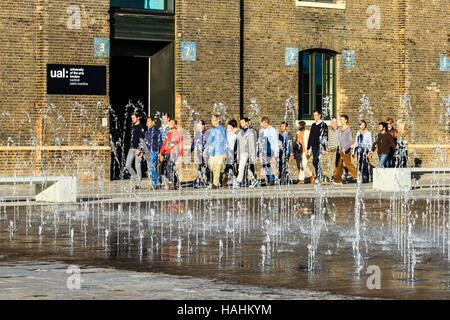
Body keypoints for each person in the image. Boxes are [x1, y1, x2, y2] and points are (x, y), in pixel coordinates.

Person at [333, 115, 357, 185]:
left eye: (342, 119)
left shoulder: (349, 129)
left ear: (346, 120)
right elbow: (339, 139)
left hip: (346, 150)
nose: (341, 121)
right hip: (340, 150)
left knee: (348, 164)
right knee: (338, 165)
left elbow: (350, 141)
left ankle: (358, 176)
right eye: (340, 120)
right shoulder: (340, 129)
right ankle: (337, 180)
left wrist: (345, 148)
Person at [159, 119, 183, 189]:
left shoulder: (178, 134)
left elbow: (180, 144)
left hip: (175, 152)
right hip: (168, 152)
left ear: (175, 125)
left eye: (171, 123)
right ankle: (177, 182)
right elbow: (164, 144)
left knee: (170, 165)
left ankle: (171, 182)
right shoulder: (168, 134)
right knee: (169, 167)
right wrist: (161, 152)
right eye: (169, 123)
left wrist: (181, 154)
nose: (170, 124)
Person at [307, 109, 328, 182]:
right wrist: (308, 147)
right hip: (314, 146)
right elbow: (311, 136)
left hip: (320, 146)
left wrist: (324, 148)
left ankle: (319, 175)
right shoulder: (313, 125)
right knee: (316, 161)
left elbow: (325, 136)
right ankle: (320, 175)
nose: (314, 117)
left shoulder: (323, 125)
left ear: (320, 115)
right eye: (314, 115)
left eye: (316, 115)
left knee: (315, 161)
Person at [125, 111, 145, 190]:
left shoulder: (141, 127)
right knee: (127, 165)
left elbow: (143, 140)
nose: (132, 119)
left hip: (138, 149)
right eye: (132, 118)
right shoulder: (132, 126)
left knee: (137, 166)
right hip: (131, 148)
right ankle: (137, 179)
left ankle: (138, 184)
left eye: (134, 118)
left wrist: (140, 150)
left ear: (138, 117)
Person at [235, 118, 257, 187]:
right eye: (240, 122)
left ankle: (238, 181)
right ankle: (253, 180)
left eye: (243, 122)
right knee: (245, 168)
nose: (241, 124)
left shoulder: (250, 132)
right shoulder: (239, 133)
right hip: (241, 152)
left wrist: (253, 156)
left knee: (241, 167)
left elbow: (252, 144)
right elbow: (238, 144)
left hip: (246, 152)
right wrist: (238, 154)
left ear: (246, 123)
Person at [207, 115, 227, 189]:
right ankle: (223, 174)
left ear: (218, 121)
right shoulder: (212, 130)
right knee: (211, 166)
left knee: (217, 167)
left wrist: (225, 152)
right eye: (212, 120)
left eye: (214, 120)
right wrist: (206, 150)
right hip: (213, 152)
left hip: (220, 151)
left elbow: (225, 141)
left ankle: (215, 183)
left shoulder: (222, 129)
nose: (212, 122)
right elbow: (209, 141)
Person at [140, 116, 161, 188]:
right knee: (150, 167)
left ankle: (157, 182)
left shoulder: (156, 131)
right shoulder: (147, 132)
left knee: (151, 166)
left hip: (154, 151)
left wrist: (160, 153)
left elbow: (159, 142)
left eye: (149, 121)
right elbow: (144, 143)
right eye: (147, 121)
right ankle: (154, 182)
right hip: (147, 152)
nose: (147, 123)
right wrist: (142, 152)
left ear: (153, 122)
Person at [260, 117, 279, 186]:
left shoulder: (272, 130)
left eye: (262, 123)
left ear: (265, 122)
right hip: (264, 150)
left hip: (271, 150)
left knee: (271, 165)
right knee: (265, 165)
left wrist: (276, 152)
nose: (261, 124)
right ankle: (267, 179)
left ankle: (272, 178)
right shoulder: (262, 131)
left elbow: (275, 142)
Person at [190, 120, 210, 187]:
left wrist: (205, 151)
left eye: (199, 125)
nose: (198, 127)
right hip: (199, 153)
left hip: (206, 153)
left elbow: (208, 143)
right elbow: (193, 143)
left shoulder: (207, 133)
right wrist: (190, 151)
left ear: (203, 126)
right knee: (202, 166)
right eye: (197, 126)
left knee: (204, 167)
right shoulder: (197, 134)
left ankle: (198, 180)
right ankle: (204, 180)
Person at [222, 119, 238, 187]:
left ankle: (227, 180)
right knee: (229, 167)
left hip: (231, 154)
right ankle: (228, 180)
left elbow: (232, 146)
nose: (227, 129)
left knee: (230, 167)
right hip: (227, 153)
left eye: (228, 127)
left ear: (231, 128)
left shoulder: (233, 136)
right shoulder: (227, 135)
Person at [157, 113, 171, 182]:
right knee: (161, 164)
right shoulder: (160, 128)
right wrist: (160, 151)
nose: (163, 120)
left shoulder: (170, 128)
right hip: (162, 149)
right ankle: (161, 179)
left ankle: (173, 181)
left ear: (168, 118)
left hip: (168, 149)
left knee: (169, 165)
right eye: (162, 119)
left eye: (165, 119)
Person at [327, 117, 340, 182]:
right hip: (332, 150)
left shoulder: (339, 131)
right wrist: (329, 146)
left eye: (332, 122)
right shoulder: (330, 131)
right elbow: (329, 139)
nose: (331, 124)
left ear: (335, 123)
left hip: (337, 149)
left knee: (333, 163)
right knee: (337, 164)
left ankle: (329, 176)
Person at [247, 118, 259, 186]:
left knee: (251, 165)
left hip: (252, 150)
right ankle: (253, 179)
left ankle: (254, 179)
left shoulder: (253, 131)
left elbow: (254, 142)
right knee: (249, 166)